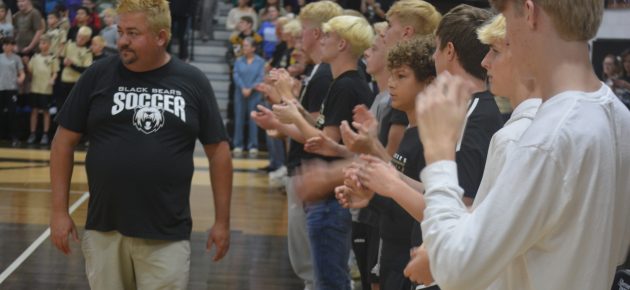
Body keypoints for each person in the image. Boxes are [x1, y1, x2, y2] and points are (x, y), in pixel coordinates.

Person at [409, 0, 630, 289]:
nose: (486, 58)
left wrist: (439, 153)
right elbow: (617, 249)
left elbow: (454, 266)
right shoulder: (618, 115)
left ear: (529, 12)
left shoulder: (547, 139)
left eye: (504, 16)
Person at [49, 1, 232, 289]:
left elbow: (219, 152)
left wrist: (222, 221)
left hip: (167, 234)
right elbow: (62, 143)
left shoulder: (192, 81)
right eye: (120, 31)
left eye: (133, 33)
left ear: (161, 37)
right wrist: (59, 211)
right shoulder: (97, 75)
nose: (122, 41)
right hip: (105, 230)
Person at [232, 37, 265, 156]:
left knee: (253, 119)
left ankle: (253, 145)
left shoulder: (260, 62)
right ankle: (238, 144)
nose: (244, 48)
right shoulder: (238, 60)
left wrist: (251, 88)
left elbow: (261, 77)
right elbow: (235, 75)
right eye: (243, 45)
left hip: (254, 93)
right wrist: (243, 87)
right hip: (240, 93)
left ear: (253, 48)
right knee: (239, 119)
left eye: (246, 45)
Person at [26, 34, 58, 145]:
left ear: (49, 45)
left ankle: (45, 134)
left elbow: (55, 72)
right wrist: (26, 64)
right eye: (40, 43)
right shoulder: (35, 57)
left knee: (46, 112)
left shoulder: (53, 58)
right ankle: (32, 133)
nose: (41, 45)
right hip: (35, 88)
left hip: (46, 89)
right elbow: (30, 72)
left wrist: (52, 79)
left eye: (44, 43)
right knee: (34, 111)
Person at [0, 37, 25, 145]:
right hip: (0, 88)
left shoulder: (16, 58)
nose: (6, 46)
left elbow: (22, 72)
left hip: (11, 89)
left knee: (12, 113)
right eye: (4, 44)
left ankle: (15, 137)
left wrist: (21, 78)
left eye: (8, 44)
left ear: (12, 46)